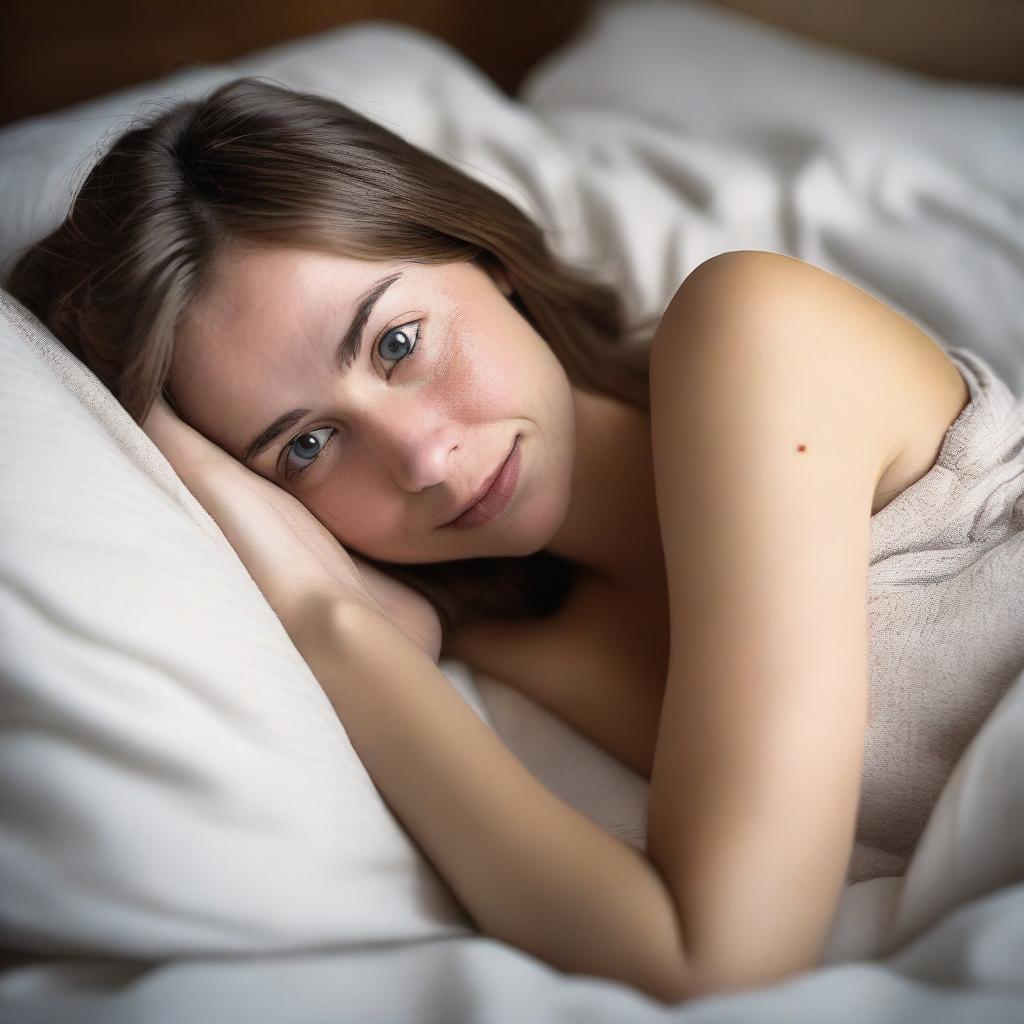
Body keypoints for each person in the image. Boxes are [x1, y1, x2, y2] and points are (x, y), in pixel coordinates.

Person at [5, 75, 989, 1001]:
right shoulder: (508, 647)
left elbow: (711, 959)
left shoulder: (755, 331)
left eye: (397, 342)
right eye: (307, 444)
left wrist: (325, 618)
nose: (424, 458)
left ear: (487, 256)